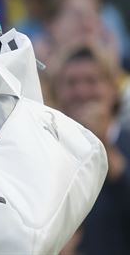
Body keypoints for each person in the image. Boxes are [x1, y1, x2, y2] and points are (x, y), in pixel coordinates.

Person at [51, 46, 130, 255]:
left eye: (91, 81)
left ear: (113, 88)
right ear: (58, 92)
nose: (81, 92)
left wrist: (103, 143)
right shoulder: (49, 149)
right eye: (71, 83)